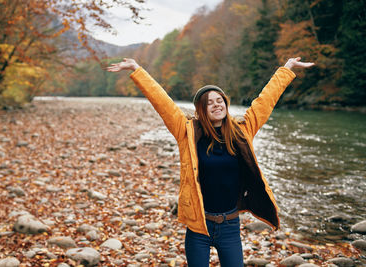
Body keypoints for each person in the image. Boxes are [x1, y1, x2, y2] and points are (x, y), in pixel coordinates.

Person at [107, 57, 314, 266]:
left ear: (225, 103)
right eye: (209, 103)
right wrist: (137, 69)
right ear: (200, 110)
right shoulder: (186, 133)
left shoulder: (242, 130)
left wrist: (286, 69)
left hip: (230, 226)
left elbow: (265, 101)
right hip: (198, 226)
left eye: (219, 100)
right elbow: (163, 103)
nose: (216, 105)